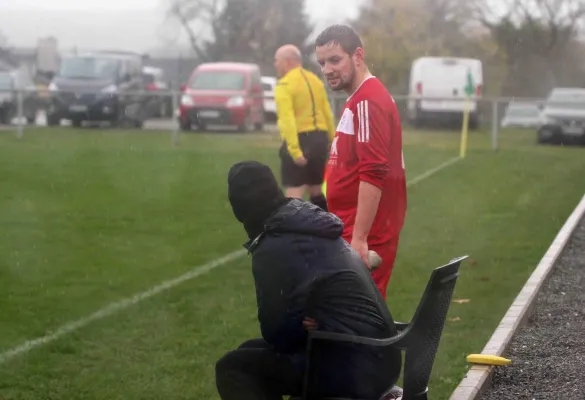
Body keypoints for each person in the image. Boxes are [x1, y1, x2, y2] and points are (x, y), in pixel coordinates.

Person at [215, 161, 403, 400]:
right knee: (248, 353)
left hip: (355, 368)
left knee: (233, 367)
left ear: (242, 209)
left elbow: (278, 334)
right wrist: (304, 321)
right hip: (376, 356)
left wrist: (300, 322)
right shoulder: (305, 223)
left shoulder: (274, 242)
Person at [314, 25, 407, 299]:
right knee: (344, 315)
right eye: (321, 63)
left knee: (353, 319)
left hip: (365, 236)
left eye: (335, 60)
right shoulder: (358, 99)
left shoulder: (367, 101)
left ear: (357, 56)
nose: (327, 69)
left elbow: (373, 172)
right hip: (350, 229)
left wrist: (360, 239)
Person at [273, 44, 336, 210]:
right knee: (316, 189)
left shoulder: (284, 85)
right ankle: (328, 229)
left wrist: (294, 150)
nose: (275, 65)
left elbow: (287, 120)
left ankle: (294, 233)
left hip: (300, 139)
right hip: (320, 138)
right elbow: (327, 113)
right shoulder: (315, 81)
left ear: (287, 62)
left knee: (294, 193)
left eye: (276, 60)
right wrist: (331, 140)